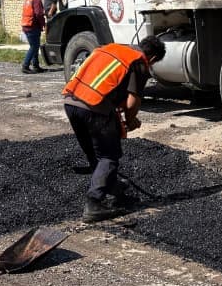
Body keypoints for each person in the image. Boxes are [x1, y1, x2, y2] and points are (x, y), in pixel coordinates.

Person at [62, 36, 166, 223]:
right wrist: (131, 119)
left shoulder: (112, 48)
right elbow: (132, 100)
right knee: (109, 155)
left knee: (95, 153)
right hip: (94, 107)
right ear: (152, 58)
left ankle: (111, 187)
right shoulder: (139, 62)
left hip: (71, 102)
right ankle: (94, 203)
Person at [21, 0, 47, 74]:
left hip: (26, 25)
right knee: (34, 46)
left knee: (35, 46)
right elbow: (39, 14)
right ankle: (25, 66)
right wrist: (43, 24)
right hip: (32, 26)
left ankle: (36, 66)